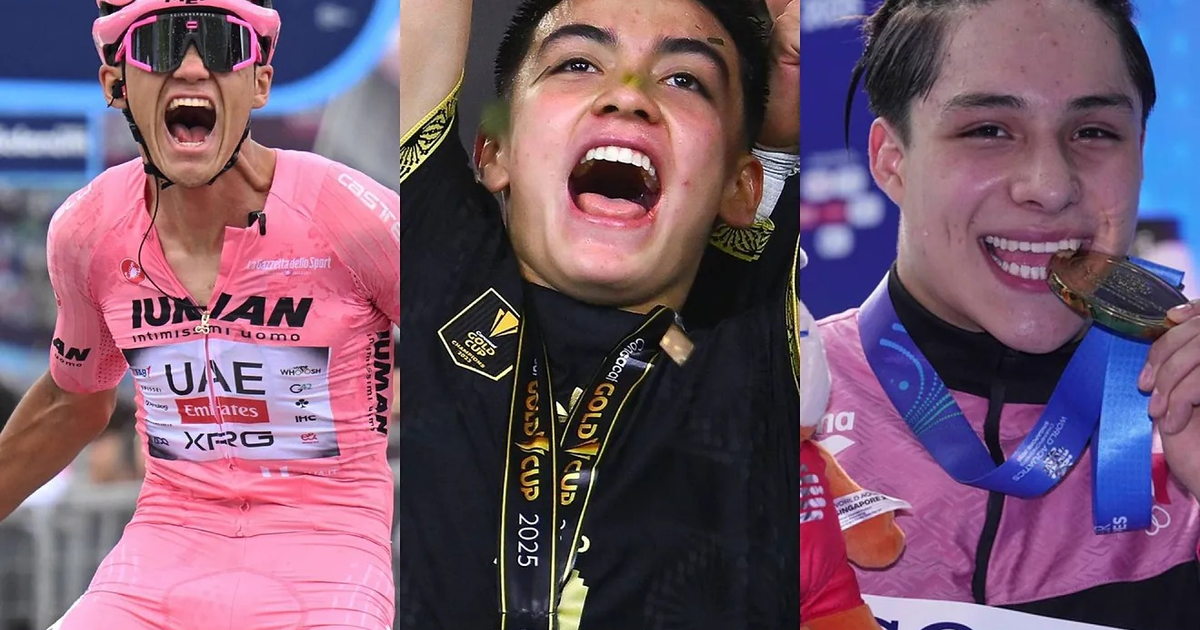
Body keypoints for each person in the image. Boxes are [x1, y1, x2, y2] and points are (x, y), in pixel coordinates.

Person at [398, 0, 799, 627]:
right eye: (578, 64)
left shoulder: (759, 356)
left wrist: (800, 78)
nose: (629, 96)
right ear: (496, 152)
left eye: (685, 79)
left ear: (740, 187)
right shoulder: (439, 265)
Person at [0, 1, 399, 628]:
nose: (190, 68)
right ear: (115, 85)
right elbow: (72, 402)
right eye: (158, 46)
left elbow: (469, 355)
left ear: (261, 83)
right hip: (160, 558)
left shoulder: (350, 215)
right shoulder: (87, 229)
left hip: (326, 557)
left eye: (221, 43)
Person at [816, 0, 1200, 628]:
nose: (1049, 186)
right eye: (988, 130)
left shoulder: (1185, 411)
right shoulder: (774, 401)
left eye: (1094, 132)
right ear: (892, 160)